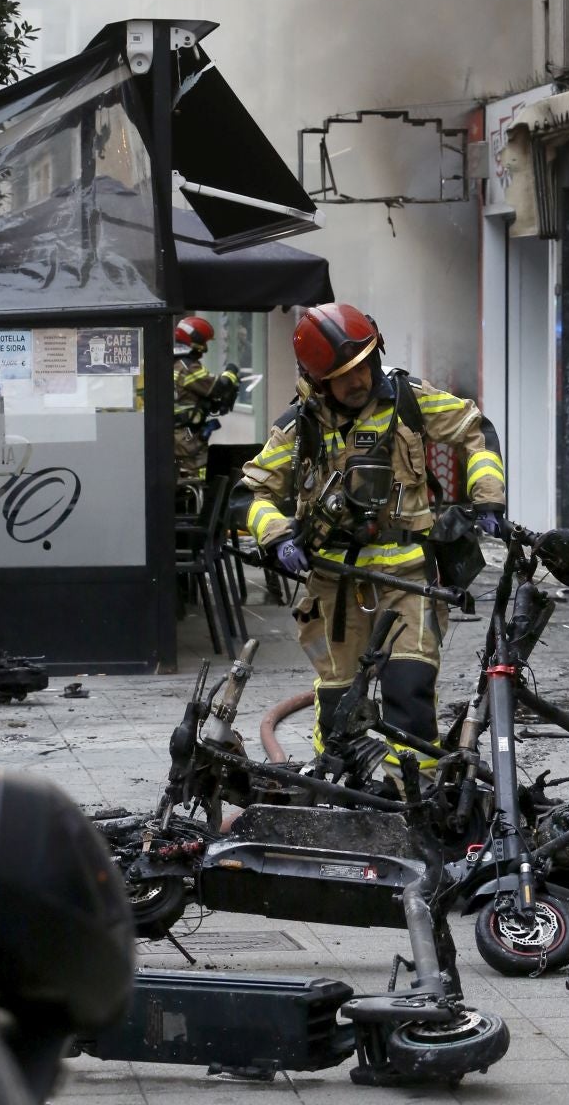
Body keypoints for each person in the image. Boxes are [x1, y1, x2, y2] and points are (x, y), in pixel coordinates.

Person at [233, 302, 504, 788]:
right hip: (336, 586)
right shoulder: (301, 426)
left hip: (408, 579)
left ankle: (412, 795)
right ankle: (338, 792)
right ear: (319, 383)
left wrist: (488, 498)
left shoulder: (409, 401)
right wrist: (276, 535)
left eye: (363, 366)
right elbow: (250, 493)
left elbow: (475, 430)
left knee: (409, 688)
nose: (358, 381)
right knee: (340, 698)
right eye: (342, 377)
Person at [172, 314, 241, 489]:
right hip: (187, 437)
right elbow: (218, 387)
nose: (205, 348)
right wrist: (231, 372)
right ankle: (198, 503)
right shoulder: (188, 368)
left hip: (176, 433)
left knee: (180, 477)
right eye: (204, 342)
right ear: (195, 341)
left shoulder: (172, 363)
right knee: (194, 477)